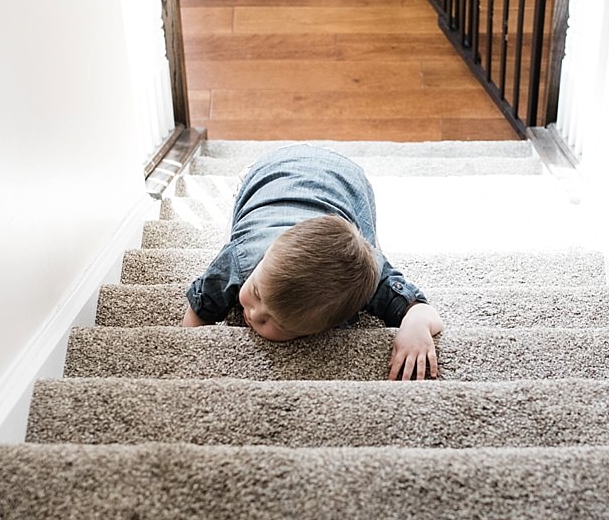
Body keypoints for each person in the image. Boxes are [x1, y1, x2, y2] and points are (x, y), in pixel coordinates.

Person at [179, 145, 444, 380]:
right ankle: (245, 178)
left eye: (275, 322)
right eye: (257, 291)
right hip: (270, 171)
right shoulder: (238, 260)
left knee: (362, 247)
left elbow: (420, 310)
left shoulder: (367, 279)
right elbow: (198, 312)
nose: (252, 313)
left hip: (346, 180)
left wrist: (414, 326)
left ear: (328, 327)